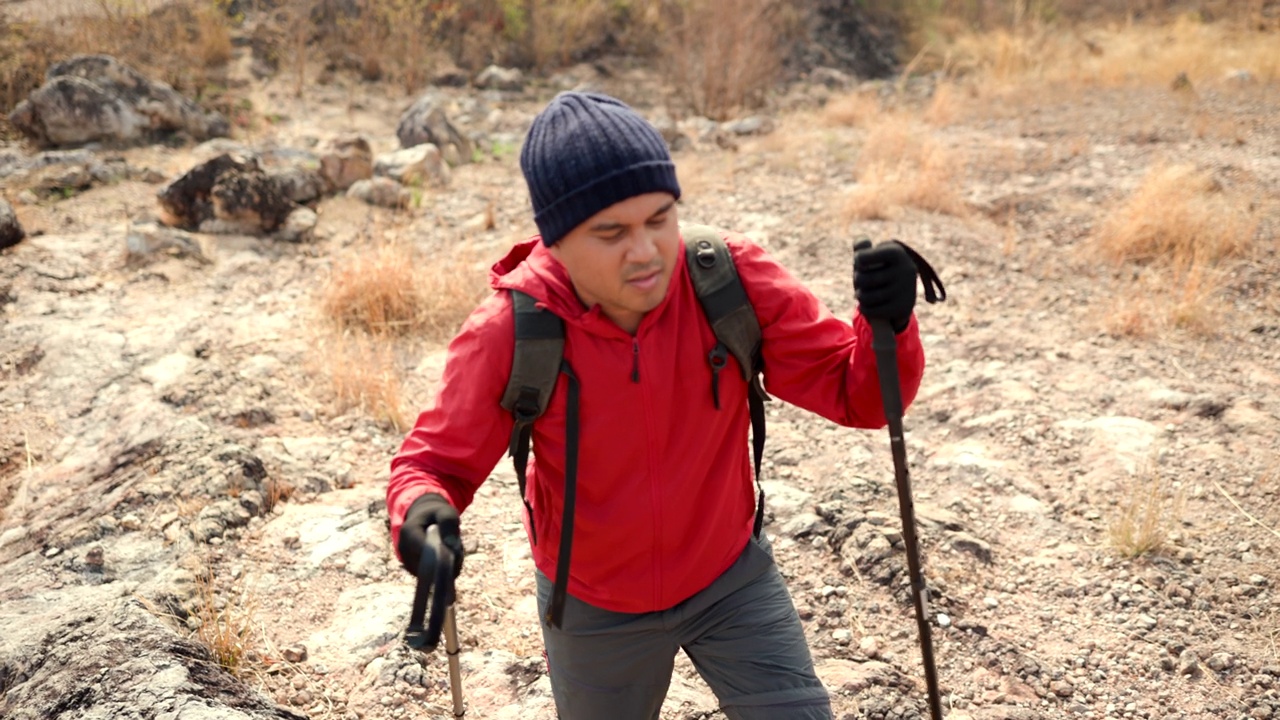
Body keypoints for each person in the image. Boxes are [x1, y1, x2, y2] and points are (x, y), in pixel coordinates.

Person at [388, 91, 925, 720]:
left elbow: (859, 394)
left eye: (659, 218)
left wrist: (887, 324)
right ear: (555, 240)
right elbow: (433, 465)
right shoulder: (513, 329)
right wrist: (422, 517)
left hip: (731, 578)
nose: (644, 251)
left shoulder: (725, 279)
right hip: (592, 606)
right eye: (611, 232)